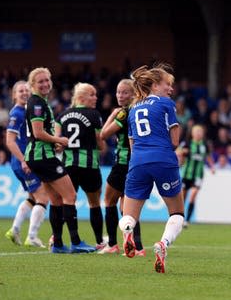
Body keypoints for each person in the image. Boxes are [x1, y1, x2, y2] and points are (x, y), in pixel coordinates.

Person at [118, 64, 184, 273]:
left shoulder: (133, 108)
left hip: (138, 162)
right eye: (168, 84)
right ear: (155, 85)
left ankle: (128, 232)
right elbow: (174, 141)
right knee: (177, 213)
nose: (170, 89)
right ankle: (163, 244)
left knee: (128, 215)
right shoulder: (166, 104)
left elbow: (132, 144)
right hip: (163, 159)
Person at [24, 67, 95, 253]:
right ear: (32, 85)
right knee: (70, 195)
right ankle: (76, 242)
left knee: (55, 200)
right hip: (43, 157)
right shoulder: (37, 103)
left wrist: (54, 144)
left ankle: (57, 244)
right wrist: (59, 140)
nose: (45, 84)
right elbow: (38, 133)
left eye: (47, 80)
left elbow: (38, 133)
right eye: (40, 81)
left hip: (39, 156)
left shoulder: (40, 102)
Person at [55, 82, 106, 250]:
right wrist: (102, 147)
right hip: (89, 166)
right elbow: (100, 143)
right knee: (94, 203)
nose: (95, 97)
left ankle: (57, 238)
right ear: (80, 97)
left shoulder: (61, 116)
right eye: (92, 94)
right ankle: (99, 241)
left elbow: (57, 142)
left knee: (67, 201)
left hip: (68, 166)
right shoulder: (94, 115)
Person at [98, 79, 145, 255]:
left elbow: (103, 134)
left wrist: (113, 114)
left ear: (133, 94)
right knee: (128, 208)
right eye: (118, 92)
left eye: (125, 92)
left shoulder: (124, 113)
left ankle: (112, 244)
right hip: (136, 163)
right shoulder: (140, 110)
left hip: (123, 163)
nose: (120, 95)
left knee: (109, 201)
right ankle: (138, 247)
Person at [4, 81, 51, 248]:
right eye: (20, 91)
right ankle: (32, 236)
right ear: (14, 95)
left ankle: (15, 229)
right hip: (23, 161)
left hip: (21, 161)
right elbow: (10, 142)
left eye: (26, 90)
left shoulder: (25, 111)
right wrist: (24, 160)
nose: (24, 93)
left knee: (32, 197)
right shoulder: (17, 113)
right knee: (43, 196)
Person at [177, 124, 215, 227]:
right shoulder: (187, 143)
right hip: (186, 174)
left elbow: (208, 156)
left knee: (193, 196)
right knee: (182, 197)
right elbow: (178, 152)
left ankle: (187, 221)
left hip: (198, 175)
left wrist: (212, 167)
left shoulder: (205, 145)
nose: (198, 134)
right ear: (193, 133)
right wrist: (182, 153)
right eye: (196, 132)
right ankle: (180, 218)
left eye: (200, 132)